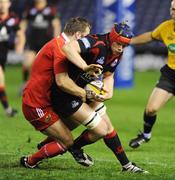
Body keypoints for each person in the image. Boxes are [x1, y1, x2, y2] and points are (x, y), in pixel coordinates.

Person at [36, 22, 148, 173]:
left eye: (124, 46)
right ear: (112, 38)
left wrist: (108, 92)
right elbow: (68, 48)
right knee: (100, 130)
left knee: (107, 127)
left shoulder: (117, 53)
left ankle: (126, 165)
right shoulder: (97, 42)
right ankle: (69, 148)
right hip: (66, 93)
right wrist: (84, 67)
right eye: (119, 43)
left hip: (84, 92)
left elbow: (109, 75)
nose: (121, 48)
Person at [20, 17, 102, 169]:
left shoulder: (59, 43)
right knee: (67, 141)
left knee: (75, 119)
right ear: (78, 35)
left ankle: (48, 144)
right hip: (36, 103)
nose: (86, 44)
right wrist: (83, 93)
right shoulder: (61, 49)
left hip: (48, 100)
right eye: (85, 37)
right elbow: (62, 82)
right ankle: (29, 161)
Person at [129, 0, 175, 149]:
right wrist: (129, 41)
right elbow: (150, 36)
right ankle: (146, 135)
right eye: (172, 9)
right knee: (151, 109)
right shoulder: (166, 27)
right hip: (170, 75)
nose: (172, 12)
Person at [20, 0, 61, 91]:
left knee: (46, 67)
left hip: (46, 43)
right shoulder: (30, 9)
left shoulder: (51, 9)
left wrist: (56, 41)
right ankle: (24, 82)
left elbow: (56, 25)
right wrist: (20, 39)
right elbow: (23, 25)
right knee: (26, 64)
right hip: (32, 42)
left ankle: (46, 86)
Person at [0, 0, 25, 117]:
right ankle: (8, 109)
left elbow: (21, 35)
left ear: (9, 4)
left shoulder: (12, 19)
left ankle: (8, 109)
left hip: (3, 56)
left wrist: (19, 46)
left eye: (4, 2)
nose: (1, 4)